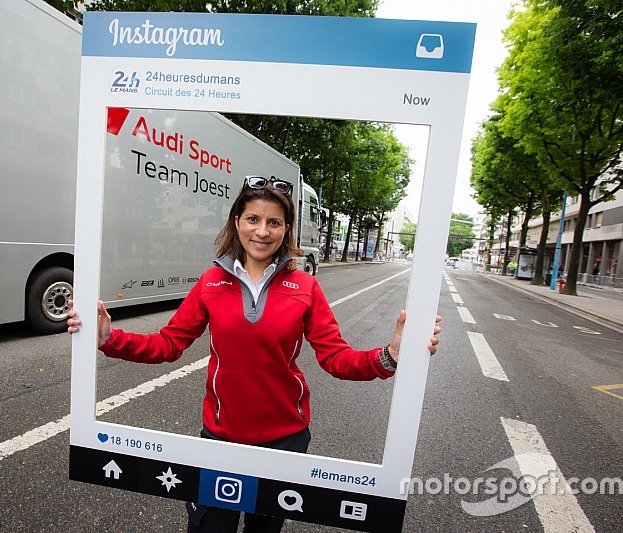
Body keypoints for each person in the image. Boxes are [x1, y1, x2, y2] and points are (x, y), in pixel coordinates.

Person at [67, 175, 441, 532]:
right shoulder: (210, 282)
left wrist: (390, 355)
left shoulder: (305, 286)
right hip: (220, 438)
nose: (262, 231)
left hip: (285, 441)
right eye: (253, 219)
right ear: (237, 221)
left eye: (274, 223)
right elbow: (168, 344)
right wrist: (108, 339)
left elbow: (335, 359)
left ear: (285, 230)